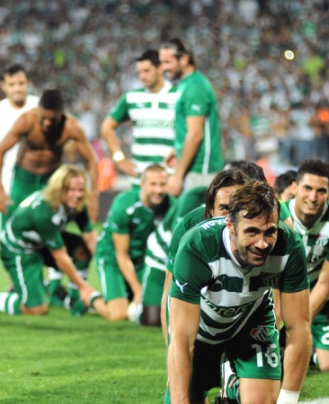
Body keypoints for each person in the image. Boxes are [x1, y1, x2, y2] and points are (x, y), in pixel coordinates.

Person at [155, 181, 312, 404]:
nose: (262, 243)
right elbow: (181, 337)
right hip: (203, 328)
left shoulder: (290, 247)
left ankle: (233, 383)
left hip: (252, 319)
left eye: (270, 232)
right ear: (230, 225)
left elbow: (299, 328)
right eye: (252, 232)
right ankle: (208, 379)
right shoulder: (197, 246)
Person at [0, 88, 100, 307]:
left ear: (61, 114)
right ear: (38, 110)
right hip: (23, 181)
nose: (48, 123)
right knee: (17, 232)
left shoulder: (71, 127)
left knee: (53, 231)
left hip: (51, 181)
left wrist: (94, 196)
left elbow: (92, 160)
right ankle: (18, 284)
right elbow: (0, 150)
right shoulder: (27, 120)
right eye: (44, 118)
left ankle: (54, 285)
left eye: (53, 119)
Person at [0, 165, 102, 316]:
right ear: (59, 188)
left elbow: (90, 237)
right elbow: (60, 256)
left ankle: (74, 300)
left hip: (40, 243)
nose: (77, 195)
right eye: (71, 189)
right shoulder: (44, 211)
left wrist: (106, 266)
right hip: (19, 250)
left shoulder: (77, 205)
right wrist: (84, 286)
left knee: (82, 251)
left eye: (81, 190)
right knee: (35, 308)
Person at [156, 161, 267, 337]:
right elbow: (170, 291)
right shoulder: (189, 227)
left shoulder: (270, 227)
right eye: (225, 209)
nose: (231, 216)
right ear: (211, 209)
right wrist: (172, 346)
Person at [283, 158, 329, 372]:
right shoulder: (278, 217)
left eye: (321, 191)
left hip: (321, 294)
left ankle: (309, 349)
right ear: (295, 187)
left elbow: (324, 282)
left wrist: (299, 326)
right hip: (284, 292)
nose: (313, 197)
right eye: (307, 188)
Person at [94, 163, 175, 322]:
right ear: (142, 184)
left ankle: (124, 294)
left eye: (162, 184)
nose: (158, 190)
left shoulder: (172, 206)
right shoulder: (124, 205)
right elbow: (121, 255)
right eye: (153, 184)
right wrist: (138, 291)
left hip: (143, 261)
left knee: (158, 307)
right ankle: (89, 299)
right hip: (112, 258)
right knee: (118, 314)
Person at [101, 50, 176, 188]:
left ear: (160, 68)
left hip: (170, 178)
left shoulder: (179, 95)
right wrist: (119, 159)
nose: (142, 76)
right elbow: (107, 127)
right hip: (140, 178)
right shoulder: (132, 98)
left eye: (147, 71)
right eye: (139, 72)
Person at [0, 64, 39, 236]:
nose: (17, 89)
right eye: (11, 84)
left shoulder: (39, 107)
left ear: (28, 83)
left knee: (41, 236)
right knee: (7, 237)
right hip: (8, 184)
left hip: (37, 183)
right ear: (3, 86)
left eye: (21, 83)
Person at [159, 38, 223, 196]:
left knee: (195, 212)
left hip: (201, 171)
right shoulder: (185, 84)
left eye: (167, 62)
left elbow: (195, 134)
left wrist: (178, 175)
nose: (163, 68)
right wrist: (178, 150)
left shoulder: (195, 86)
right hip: (193, 169)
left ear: (184, 59)